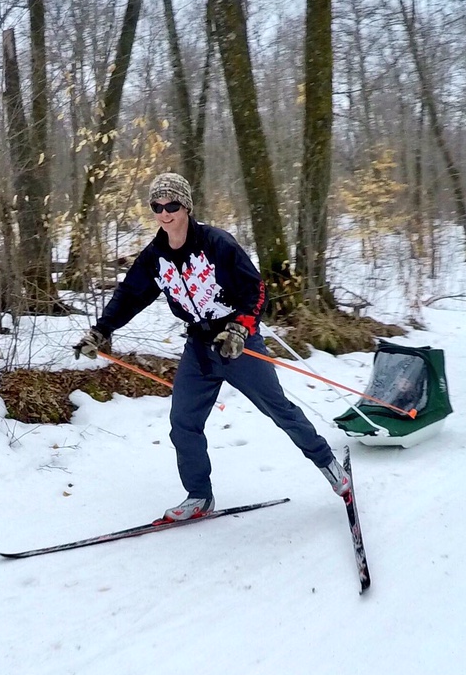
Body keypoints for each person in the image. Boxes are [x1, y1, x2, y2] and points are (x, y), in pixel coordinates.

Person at [75, 172, 350, 519]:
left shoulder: (217, 243)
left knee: (278, 409)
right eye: (157, 206)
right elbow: (129, 296)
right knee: (183, 422)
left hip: (238, 343)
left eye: (172, 204)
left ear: (186, 206)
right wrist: (101, 331)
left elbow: (256, 290)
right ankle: (199, 497)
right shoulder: (155, 256)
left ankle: (329, 466)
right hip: (199, 348)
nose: (165, 213)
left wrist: (240, 328)